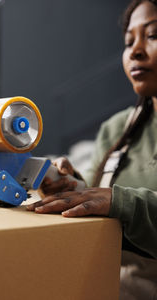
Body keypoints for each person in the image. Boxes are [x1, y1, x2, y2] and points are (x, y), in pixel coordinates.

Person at [27, 0, 157, 298]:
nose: (135, 51)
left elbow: (119, 202)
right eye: (128, 41)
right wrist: (75, 187)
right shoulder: (117, 128)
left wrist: (121, 202)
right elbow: (105, 202)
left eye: (152, 35)